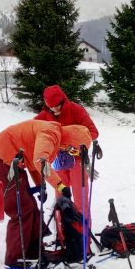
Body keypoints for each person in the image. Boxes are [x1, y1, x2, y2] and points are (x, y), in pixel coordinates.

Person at [0, 119, 92, 268]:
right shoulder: (51, 133)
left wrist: (40, 185)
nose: (71, 153)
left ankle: (33, 252)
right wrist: (60, 185)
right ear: (72, 141)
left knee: (32, 208)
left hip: (12, 163)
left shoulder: (55, 136)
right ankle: (15, 259)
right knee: (21, 210)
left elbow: (32, 160)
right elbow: (40, 161)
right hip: (1, 162)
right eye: (74, 150)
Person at [34, 85, 102, 226]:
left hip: (77, 160)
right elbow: (33, 133)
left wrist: (73, 139)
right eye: (51, 107)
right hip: (58, 161)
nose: (55, 109)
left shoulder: (76, 110)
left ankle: (83, 233)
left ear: (63, 101)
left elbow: (93, 132)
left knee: (80, 198)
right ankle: (64, 232)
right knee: (61, 198)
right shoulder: (43, 116)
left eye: (58, 105)